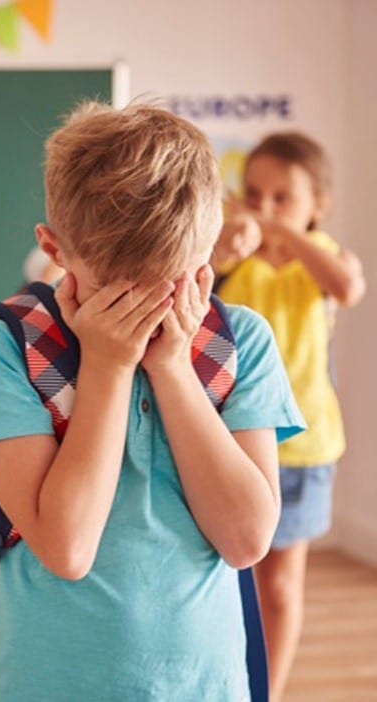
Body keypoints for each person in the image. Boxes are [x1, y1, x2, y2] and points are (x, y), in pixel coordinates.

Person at [0, 103, 306, 700]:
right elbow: (68, 547)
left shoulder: (243, 342)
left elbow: (245, 541)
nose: (149, 311)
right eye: (118, 289)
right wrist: (107, 368)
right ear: (54, 248)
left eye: (172, 282)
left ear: (209, 252)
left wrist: (172, 368)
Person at [213, 132, 366, 702]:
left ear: (317, 205)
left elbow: (348, 286)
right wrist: (229, 245)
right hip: (231, 445)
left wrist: (278, 233)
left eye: (284, 198)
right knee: (233, 583)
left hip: (303, 447)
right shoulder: (233, 261)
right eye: (255, 194)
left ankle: (267, 694)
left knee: (279, 585)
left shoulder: (326, 257)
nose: (267, 207)